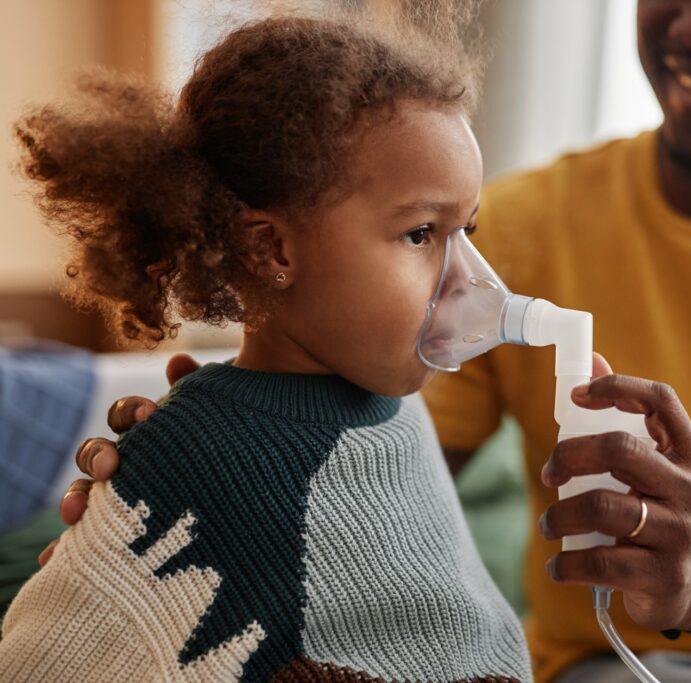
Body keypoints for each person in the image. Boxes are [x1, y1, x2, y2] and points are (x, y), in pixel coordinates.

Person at [53, 0, 691, 681]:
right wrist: (215, 458)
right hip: (634, 664)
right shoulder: (520, 221)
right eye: (428, 234)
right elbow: (362, 458)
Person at [0, 7, 532, 682]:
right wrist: (178, 461)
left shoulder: (398, 406)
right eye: (422, 233)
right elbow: (41, 661)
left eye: (469, 231)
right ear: (271, 248)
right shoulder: (192, 451)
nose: (467, 279)